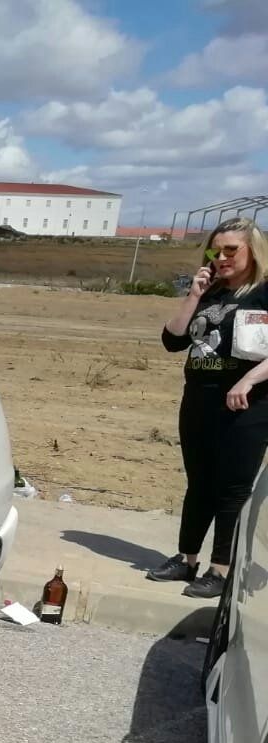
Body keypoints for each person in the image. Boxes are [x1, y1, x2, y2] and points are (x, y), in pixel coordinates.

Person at [147, 218, 268, 599]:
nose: (222, 257)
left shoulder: (263, 292)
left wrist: (248, 380)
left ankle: (221, 568)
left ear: (253, 251)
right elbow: (173, 340)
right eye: (216, 250)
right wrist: (194, 295)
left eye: (232, 249)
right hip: (199, 400)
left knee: (231, 489)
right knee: (198, 483)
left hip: (247, 404)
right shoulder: (210, 292)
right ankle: (187, 559)